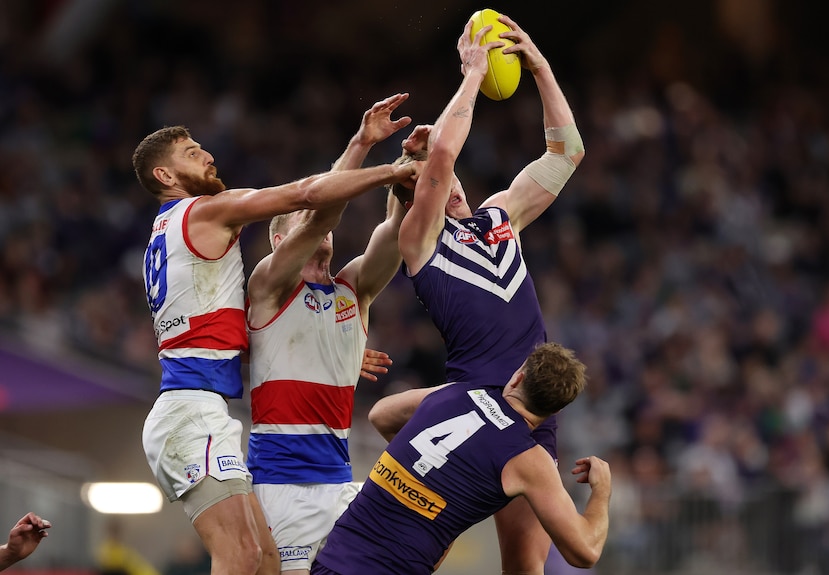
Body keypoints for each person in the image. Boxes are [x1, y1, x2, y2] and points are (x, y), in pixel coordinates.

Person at [133, 122, 416, 575]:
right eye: (191, 153)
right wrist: (391, 170)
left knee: (261, 561)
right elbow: (310, 198)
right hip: (214, 428)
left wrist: (334, 350)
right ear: (166, 176)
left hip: (220, 418)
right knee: (243, 557)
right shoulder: (208, 216)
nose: (208, 156)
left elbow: (224, 334)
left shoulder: (169, 231)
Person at [368, 12, 586, 573]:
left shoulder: (498, 217)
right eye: (424, 181)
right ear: (417, 197)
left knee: (524, 566)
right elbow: (441, 155)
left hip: (531, 410)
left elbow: (566, 154)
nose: (446, 177)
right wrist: (471, 74)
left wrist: (538, 67)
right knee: (386, 416)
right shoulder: (421, 241)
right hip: (479, 402)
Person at [245, 93, 412, 575]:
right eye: (300, 222)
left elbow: (395, 232)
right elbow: (321, 210)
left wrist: (410, 172)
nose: (319, 227)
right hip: (282, 484)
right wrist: (361, 145)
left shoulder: (353, 290)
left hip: (340, 478)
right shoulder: (268, 285)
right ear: (280, 240)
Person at [312, 343, 611, 575]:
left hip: (331, 561)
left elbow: (381, 414)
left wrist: (426, 471)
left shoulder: (457, 393)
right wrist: (602, 489)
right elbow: (584, 551)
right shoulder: (529, 459)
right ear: (555, 412)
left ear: (518, 377)